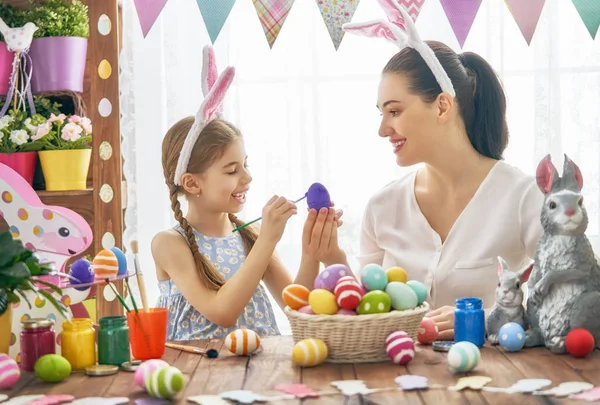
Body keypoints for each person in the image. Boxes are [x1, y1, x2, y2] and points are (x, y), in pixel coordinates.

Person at [343, 0, 544, 339]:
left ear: (442, 106)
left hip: (498, 386)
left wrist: (491, 319)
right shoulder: (382, 207)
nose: (382, 129)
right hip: (400, 383)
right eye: (381, 113)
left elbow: (576, 296)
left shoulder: (524, 197)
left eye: (394, 111)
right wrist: (331, 257)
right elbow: (367, 314)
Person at [151, 46, 346, 341]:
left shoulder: (249, 235)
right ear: (192, 183)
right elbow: (222, 311)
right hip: (198, 375)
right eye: (231, 171)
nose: (248, 177)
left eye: (246, 165)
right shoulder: (169, 244)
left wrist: (311, 249)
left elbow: (299, 306)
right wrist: (268, 239)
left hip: (257, 370)